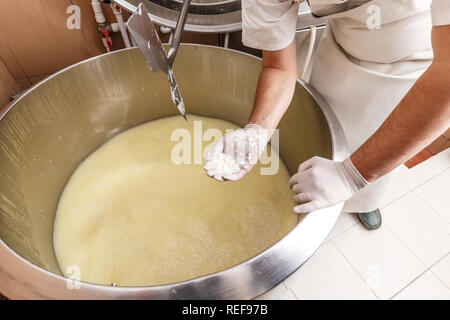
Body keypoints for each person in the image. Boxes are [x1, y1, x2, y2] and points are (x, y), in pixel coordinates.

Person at [203, 0, 450, 230]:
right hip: (343, 44)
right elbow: (278, 67)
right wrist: (257, 130)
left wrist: (353, 175)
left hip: (413, 61)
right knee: (323, 143)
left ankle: (365, 203)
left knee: (373, 174)